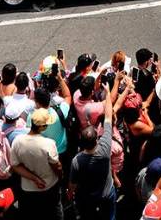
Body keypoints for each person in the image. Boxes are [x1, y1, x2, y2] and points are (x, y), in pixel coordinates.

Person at [66, 72, 119, 220]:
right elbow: (108, 115)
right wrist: (108, 93)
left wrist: (70, 194)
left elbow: (72, 183)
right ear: (97, 139)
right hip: (106, 194)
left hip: (87, 197)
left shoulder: (77, 161)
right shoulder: (105, 148)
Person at [10, 108, 63, 220]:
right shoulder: (49, 144)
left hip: (28, 190)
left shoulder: (17, 141)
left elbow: (15, 166)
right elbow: (57, 167)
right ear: (41, 127)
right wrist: (61, 175)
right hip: (49, 187)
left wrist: (34, 178)